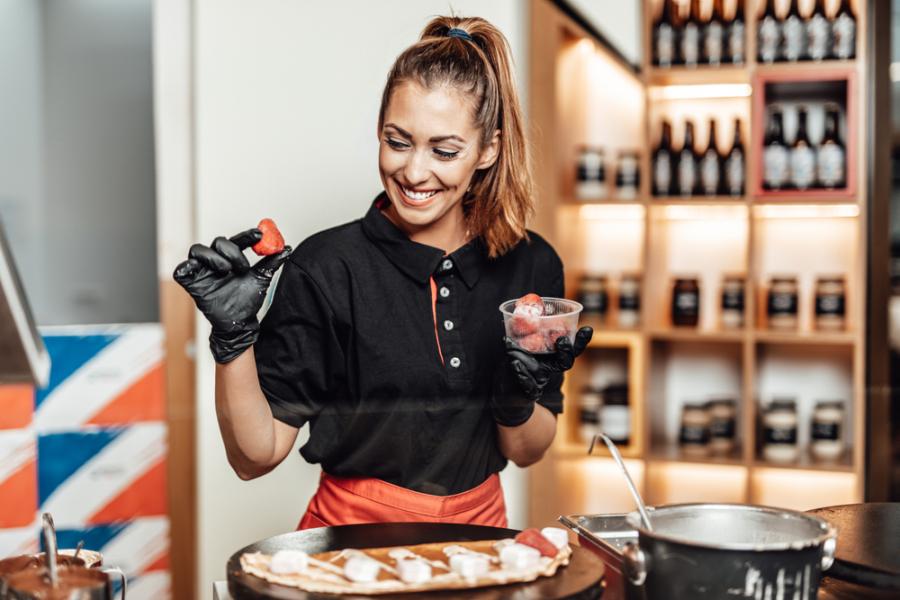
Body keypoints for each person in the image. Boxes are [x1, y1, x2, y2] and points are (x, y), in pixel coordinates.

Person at [173, 15, 592, 530]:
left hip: (481, 543)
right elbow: (253, 457)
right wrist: (234, 339)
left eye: (444, 151)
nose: (414, 172)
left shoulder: (532, 264)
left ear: (488, 150)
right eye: (398, 142)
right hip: (350, 543)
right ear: (379, 130)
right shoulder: (325, 268)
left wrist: (515, 398)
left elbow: (527, 452)